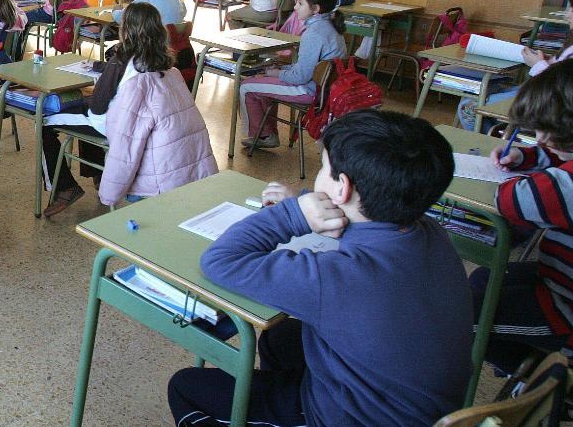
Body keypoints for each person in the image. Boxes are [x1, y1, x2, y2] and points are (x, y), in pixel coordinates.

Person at [168, 110, 473, 427]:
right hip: (415, 406)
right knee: (281, 337)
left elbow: (221, 261)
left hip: (349, 418)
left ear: (343, 188)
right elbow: (365, 232)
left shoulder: (339, 279)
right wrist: (310, 205)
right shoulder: (429, 231)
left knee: (186, 387)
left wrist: (293, 215)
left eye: (323, 166)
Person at [40, 3, 216, 217]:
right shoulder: (169, 68)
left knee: (45, 119)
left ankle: (64, 187)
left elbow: (98, 111)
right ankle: (96, 173)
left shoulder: (121, 61)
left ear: (125, 30)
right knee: (85, 108)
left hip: (125, 133)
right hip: (181, 156)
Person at [480, 60, 573, 368]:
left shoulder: (568, 186)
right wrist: (525, 156)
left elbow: (508, 199)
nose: (542, 139)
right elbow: (558, 155)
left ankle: (531, 381)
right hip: (557, 279)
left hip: (566, 309)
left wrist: (527, 174)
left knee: (464, 315)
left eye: (550, 131)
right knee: (484, 276)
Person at [239, 0, 346, 150]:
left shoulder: (313, 34)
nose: (295, 8)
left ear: (316, 9)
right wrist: (282, 69)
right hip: (323, 90)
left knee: (246, 86)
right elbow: (309, 67)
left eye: (300, 3)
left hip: (308, 91)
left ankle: (262, 135)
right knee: (263, 84)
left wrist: (276, 73)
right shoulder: (331, 27)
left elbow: (300, 77)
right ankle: (267, 133)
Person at [457, 0, 573, 130]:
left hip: (549, 101)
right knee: (475, 95)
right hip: (538, 93)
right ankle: (495, 140)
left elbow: (562, 89)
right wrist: (549, 60)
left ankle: (489, 144)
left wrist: (538, 64)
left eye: (572, 10)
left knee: (468, 107)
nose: (567, 14)